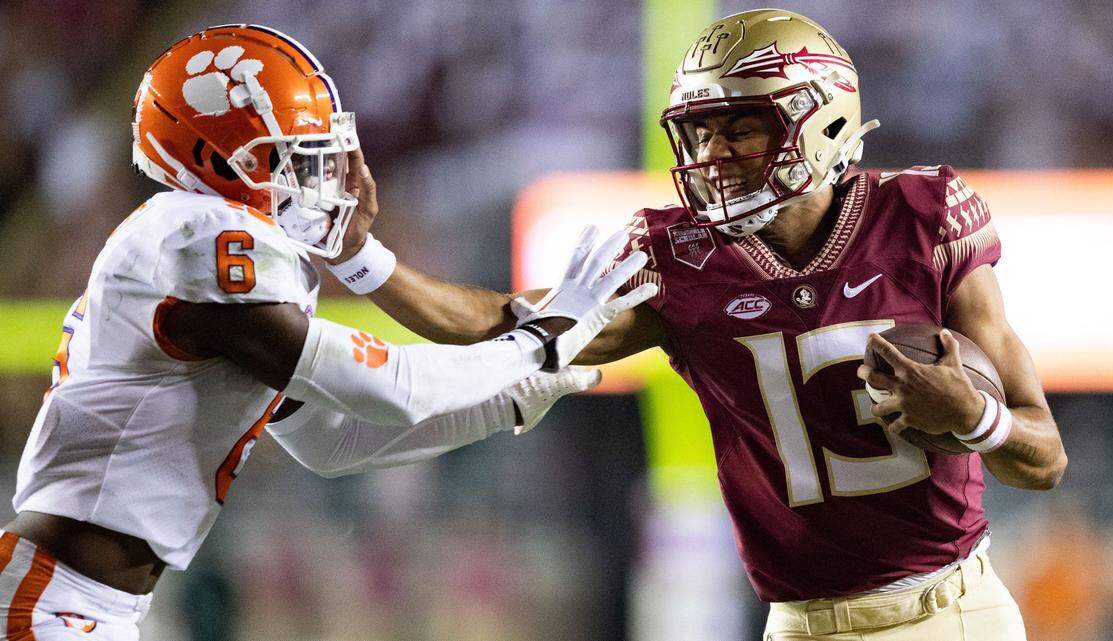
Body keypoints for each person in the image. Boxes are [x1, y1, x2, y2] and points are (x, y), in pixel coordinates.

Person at [340, 9, 1067, 640]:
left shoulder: (922, 216)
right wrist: (364, 260)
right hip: (806, 622)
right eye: (701, 133)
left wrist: (976, 417)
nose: (713, 157)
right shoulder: (679, 259)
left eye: (741, 130)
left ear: (824, 121)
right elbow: (512, 324)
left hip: (958, 610)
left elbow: (1044, 458)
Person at [1, 24, 655, 640]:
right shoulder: (201, 237)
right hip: (55, 601)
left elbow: (336, 441)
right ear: (215, 156)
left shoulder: (192, 246)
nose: (318, 177)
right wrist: (544, 335)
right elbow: (391, 388)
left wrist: (506, 398)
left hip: (83, 599)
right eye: (289, 155)